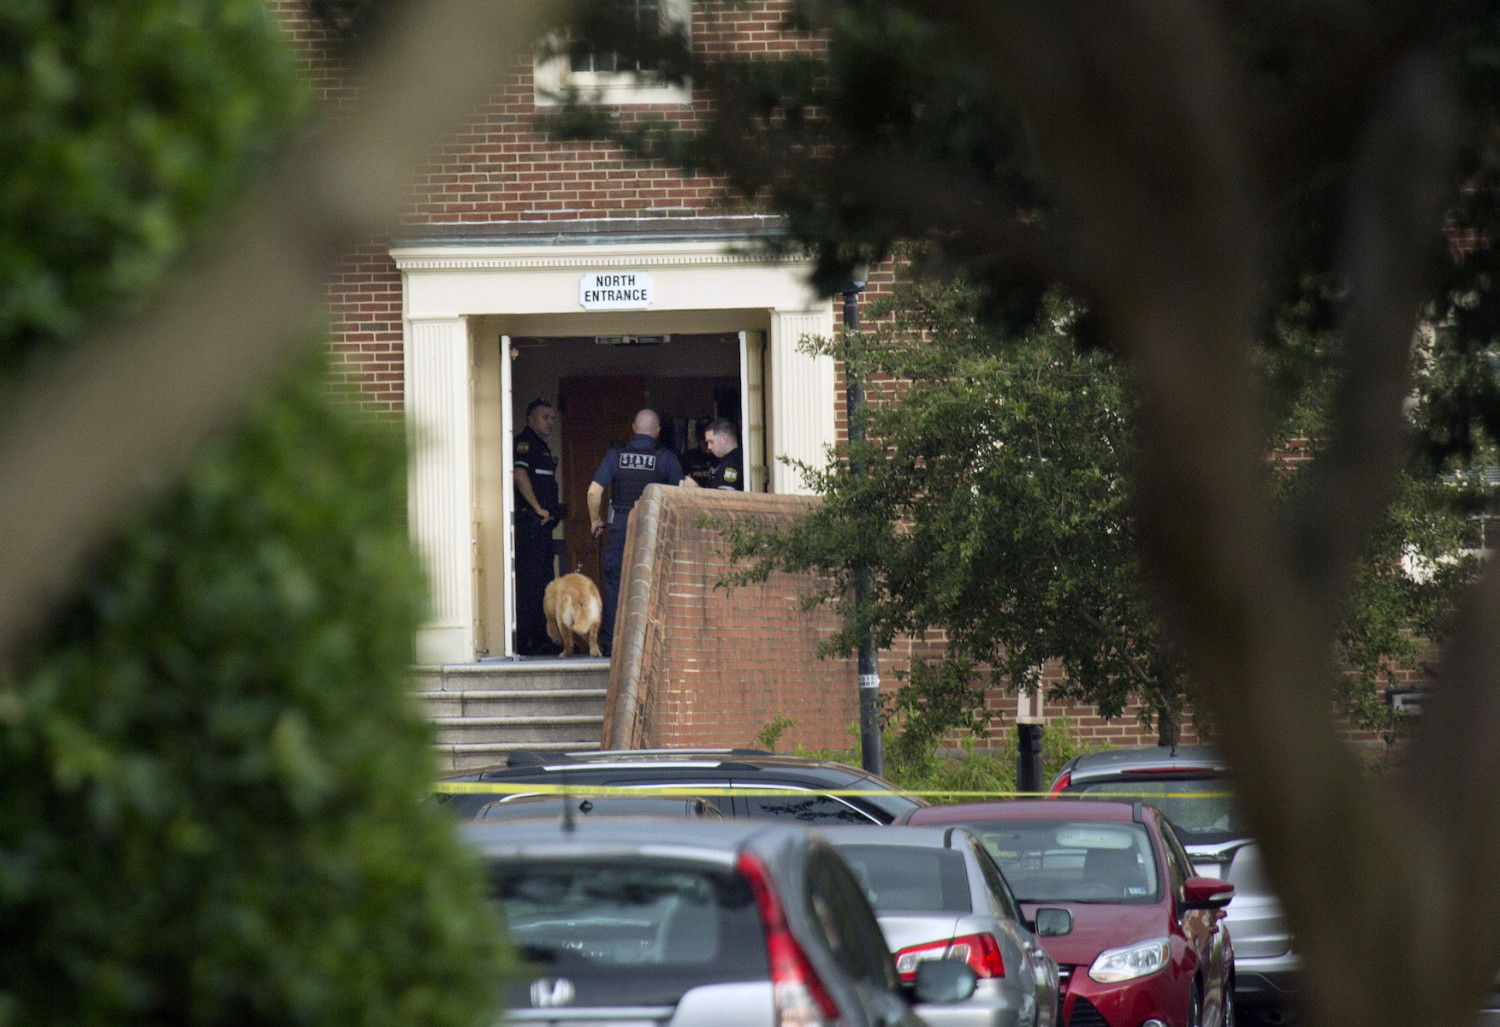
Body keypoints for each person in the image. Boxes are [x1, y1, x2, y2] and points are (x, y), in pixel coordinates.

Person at [588, 409, 685, 654]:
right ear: (658, 431)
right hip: (653, 527)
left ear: (633, 428)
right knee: (653, 584)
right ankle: (649, 648)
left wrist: (596, 520)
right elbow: (682, 497)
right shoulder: (667, 458)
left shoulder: (616, 455)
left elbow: (593, 492)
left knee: (615, 586)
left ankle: (612, 647)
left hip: (621, 525)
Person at [514, 399, 562, 655]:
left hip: (543, 529)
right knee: (531, 587)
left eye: (553, 417)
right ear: (531, 420)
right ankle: (528, 642)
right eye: (546, 417)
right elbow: (519, 475)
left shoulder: (541, 447)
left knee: (545, 584)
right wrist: (536, 508)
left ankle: (543, 639)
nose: (551, 422)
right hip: (530, 529)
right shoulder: (525, 444)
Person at [682, 418, 743, 491]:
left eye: (711, 442)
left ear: (724, 439)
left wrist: (696, 489)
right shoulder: (727, 460)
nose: (709, 447)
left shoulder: (732, 464)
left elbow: (724, 499)